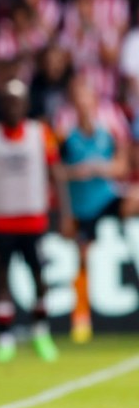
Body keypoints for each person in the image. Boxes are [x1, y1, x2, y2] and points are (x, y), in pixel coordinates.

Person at [0, 79, 73, 363]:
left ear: (26, 105)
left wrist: (65, 214)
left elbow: (56, 174)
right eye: (7, 102)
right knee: (0, 278)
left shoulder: (40, 134)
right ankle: (5, 337)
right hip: (1, 219)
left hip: (33, 219)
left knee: (39, 278)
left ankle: (41, 331)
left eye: (17, 102)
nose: (13, 108)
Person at [60, 82, 138, 344]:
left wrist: (98, 168)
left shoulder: (109, 124)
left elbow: (122, 165)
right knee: (81, 257)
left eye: (86, 96)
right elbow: (56, 171)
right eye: (78, 97)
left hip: (105, 197)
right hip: (81, 205)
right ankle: (81, 318)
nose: (83, 102)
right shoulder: (64, 129)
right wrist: (75, 174)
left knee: (133, 201)